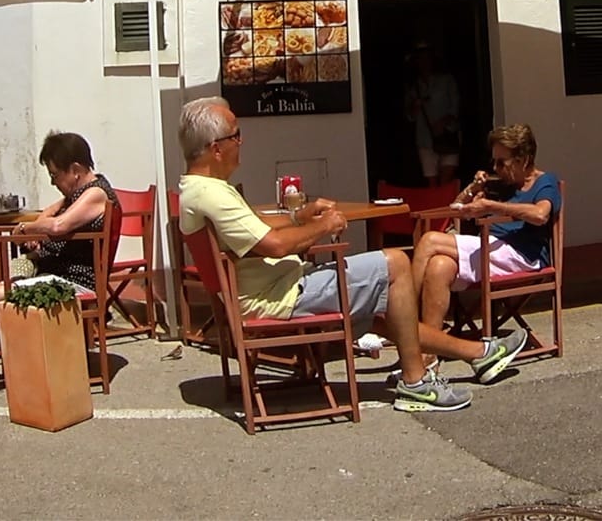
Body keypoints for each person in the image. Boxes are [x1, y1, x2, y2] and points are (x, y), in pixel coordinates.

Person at [177, 98, 522, 412]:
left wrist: (299, 216)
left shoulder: (197, 190)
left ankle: (480, 354)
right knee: (396, 263)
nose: (242, 142)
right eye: (236, 135)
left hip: (270, 291)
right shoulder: (213, 194)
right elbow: (275, 245)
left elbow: (257, 225)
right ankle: (417, 383)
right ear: (215, 148)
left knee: (384, 308)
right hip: (280, 298)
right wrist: (324, 225)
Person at [0, 131, 117, 403]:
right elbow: (48, 216)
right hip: (55, 274)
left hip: (74, 283)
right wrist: (38, 229)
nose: (53, 182)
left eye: (55, 175)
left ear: (75, 170)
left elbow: (57, 225)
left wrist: (28, 228)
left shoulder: (96, 193)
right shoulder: (76, 196)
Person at [412, 123, 557, 374]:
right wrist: (472, 190)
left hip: (521, 255)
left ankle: (403, 319)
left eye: (502, 162)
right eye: (494, 162)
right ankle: (427, 356)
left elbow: (540, 214)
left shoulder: (545, 182)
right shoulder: (500, 184)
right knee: (439, 266)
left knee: (429, 241)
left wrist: (492, 206)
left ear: (523, 160)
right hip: (492, 250)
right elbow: (453, 209)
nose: (496, 169)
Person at [404, 41, 461, 187]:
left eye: (427, 58)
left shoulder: (447, 80)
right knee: (432, 184)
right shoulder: (413, 86)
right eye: (420, 58)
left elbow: (456, 106)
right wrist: (416, 106)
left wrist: (444, 122)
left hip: (448, 135)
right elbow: (409, 116)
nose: (424, 62)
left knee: (446, 182)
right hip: (425, 140)